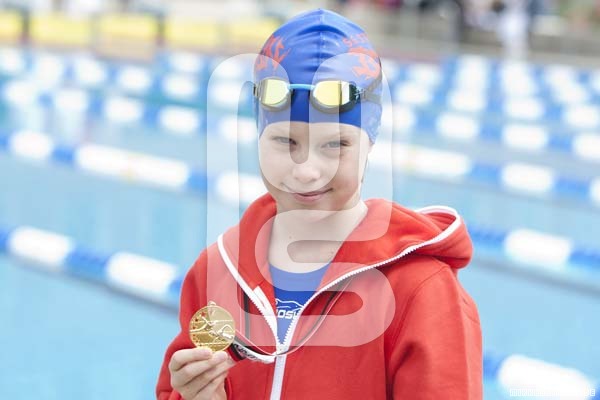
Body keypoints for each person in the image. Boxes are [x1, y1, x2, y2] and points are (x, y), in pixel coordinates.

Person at [156, 8, 482, 400]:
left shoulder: (420, 291)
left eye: (335, 145)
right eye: (285, 141)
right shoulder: (216, 271)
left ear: (370, 144)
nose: (307, 171)